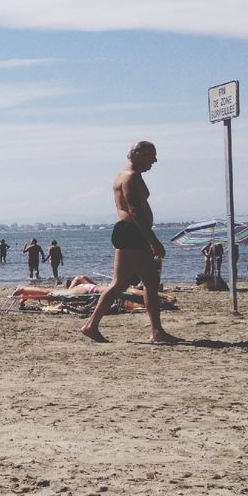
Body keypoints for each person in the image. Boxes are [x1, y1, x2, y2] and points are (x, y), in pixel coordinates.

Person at [80, 141, 180, 344]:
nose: (154, 160)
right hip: (132, 232)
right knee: (137, 283)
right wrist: (153, 241)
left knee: (134, 283)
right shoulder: (131, 177)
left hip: (128, 231)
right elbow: (134, 211)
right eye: (151, 155)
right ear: (138, 154)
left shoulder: (125, 175)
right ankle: (155, 331)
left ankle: (94, 325)